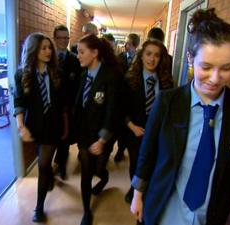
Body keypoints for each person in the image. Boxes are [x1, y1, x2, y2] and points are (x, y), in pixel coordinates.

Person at [130, 8, 230, 225]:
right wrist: (138, 194)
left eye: (226, 68)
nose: (215, 78)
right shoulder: (167, 102)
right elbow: (148, 151)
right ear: (190, 58)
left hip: (211, 215)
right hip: (166, 209)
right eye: (206, 66)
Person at [13, 32, 67, 223]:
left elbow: (62, 104)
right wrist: (21, 126)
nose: (48, 51)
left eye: (49, 47)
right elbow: (19, 101)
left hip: (53, 126)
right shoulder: (22, 74)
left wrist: (66, 125)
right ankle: (49, 176)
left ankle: (39, 207)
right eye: (43, 48)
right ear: (33, 50)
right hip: (34, 126)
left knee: (43, 164)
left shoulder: (57, 73)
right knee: (42, 161)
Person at [74, 34, 122, 225]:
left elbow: (113, 110)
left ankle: (104, 177)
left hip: (104, 134)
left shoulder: (110, 76)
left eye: (81, 52)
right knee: (86, 172)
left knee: (97, 168)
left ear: (94, 53)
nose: (78, 56)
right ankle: (86, 211)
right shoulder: (83, 75)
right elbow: (79, 106)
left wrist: (102, 140)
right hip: (85, 134)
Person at [123, 39, 174, 204]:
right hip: (135, 129)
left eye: (157, 55)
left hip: (158, 131)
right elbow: (121, 108)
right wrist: (132, 126)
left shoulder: (166, 81)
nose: (152, 59)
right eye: (148, 54)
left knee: (153, 162)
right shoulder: (130, 79)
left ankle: (147, 190)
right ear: (141, 56)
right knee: (136, 163)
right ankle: (134, 187)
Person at [52, 24, 82, 180]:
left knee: (64, 138)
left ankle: (61, 166)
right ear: (54, 38)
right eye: (60, 38)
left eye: (66, 38)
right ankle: (54, 164)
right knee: (52, 138)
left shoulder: (75, 60)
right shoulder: (48, 58)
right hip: (50, 108)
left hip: (67, 108)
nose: (64, 41)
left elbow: (77, 86)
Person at [114, 33, 141, 163]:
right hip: (121, 95)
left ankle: (128, 148)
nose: (125, 45)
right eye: (126, 43)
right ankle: (120, 149)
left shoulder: (140, 59)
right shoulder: (119, 58)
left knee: (130, 125)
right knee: (120, 125)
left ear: (135, 45)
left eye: (128, 43)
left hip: (134, 98)